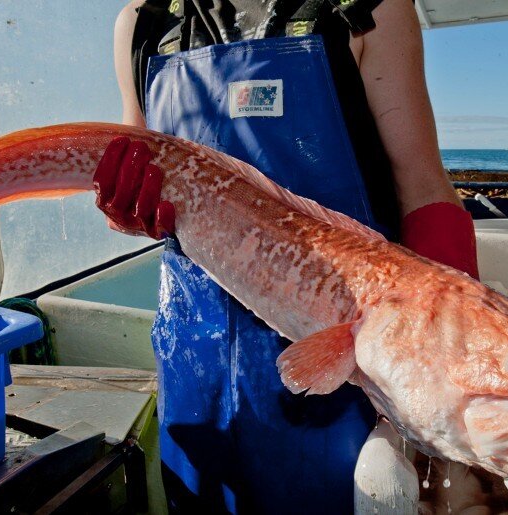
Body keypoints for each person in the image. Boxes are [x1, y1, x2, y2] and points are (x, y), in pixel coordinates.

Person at [94, 0, 479, 512]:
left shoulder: (368, 9)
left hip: (339, 351)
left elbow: (423, 185)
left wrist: (463, 355)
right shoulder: (142, 25)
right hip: (192, 348)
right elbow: (136, 170)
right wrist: (124, 209)